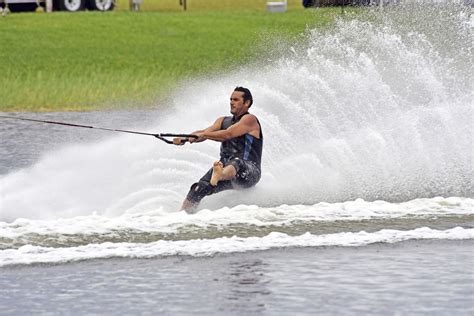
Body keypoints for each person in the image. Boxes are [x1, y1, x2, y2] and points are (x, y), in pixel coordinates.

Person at [173, 87, 263, 212]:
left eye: (236, 99)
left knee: (237, 162)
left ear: (246, 103)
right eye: (231, 99)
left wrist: (203, 135)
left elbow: (227, 134)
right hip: (224, 168)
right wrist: (184, 138)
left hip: (249, 171)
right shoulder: (222, 121)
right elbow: (204, 133)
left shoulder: (250, 120)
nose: (231, 102)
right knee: (198, 189)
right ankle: (181, 215)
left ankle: (220, 175)